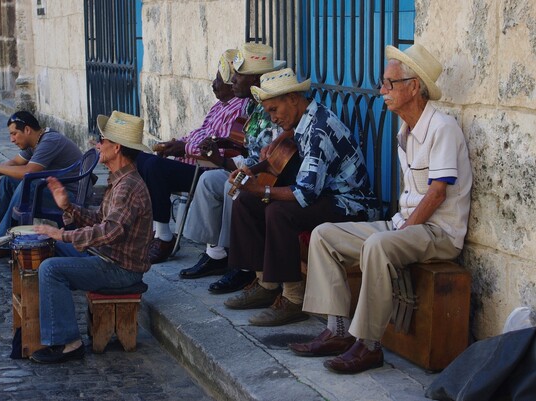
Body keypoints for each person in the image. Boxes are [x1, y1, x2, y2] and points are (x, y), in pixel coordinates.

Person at [288, 44, 472, 374]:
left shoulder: (442, 128)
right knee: (324, 235)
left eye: (389, 83)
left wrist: (405, 229)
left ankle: (370, 346)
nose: (381, 90)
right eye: (382, 82)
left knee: (378, 244)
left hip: (438, 233)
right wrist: (401, 227)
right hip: (408, 225)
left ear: (414, 86)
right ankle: (338, 331)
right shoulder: (406, 131)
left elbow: (437, 194)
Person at [220, 68, 378, 327]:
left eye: (274, 110)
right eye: (269, 112)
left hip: (350, 204)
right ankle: (266, 283)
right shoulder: (304, 119)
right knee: (246, 201)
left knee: (278, 211)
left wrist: (262, 190)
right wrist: (255, 169)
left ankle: (293, 299)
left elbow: (306, 193)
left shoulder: (319, 130)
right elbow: (287, 149)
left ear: (293, 98)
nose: (272, 119)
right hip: (326, 197)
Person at [29, 111, 153, 364]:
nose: (98, 145)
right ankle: (39, 327)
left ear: (116, 148)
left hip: (120, 269)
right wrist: (68, 208)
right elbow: (101, 220)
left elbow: (109, 232)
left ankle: (67, 342)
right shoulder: (120, 180)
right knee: (47, 249)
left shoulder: (128, 185)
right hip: (107, 259)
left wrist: (63, 234)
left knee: (51, 269)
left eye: (102, 140)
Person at [179, 43, 287, 289]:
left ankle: (244, 266)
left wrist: (227, 163)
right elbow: (249, 151)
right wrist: (220, 158)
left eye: (238, 75)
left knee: (235, 187)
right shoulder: (250, 106)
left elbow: (269, 160)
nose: (233, 80)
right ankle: (216, 254)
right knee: (208, 181)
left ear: (257, 79)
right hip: (250, 168)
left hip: (271, 176)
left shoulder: (272, 106)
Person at [136, 49, 250, 264]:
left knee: (155, 167)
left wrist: (185, 148)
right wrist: (175, 143)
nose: (213, 84)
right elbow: (199, 133)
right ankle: (152, 229)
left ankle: (164, 237)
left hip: (209, 168)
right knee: (139, 159)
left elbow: (226, 149)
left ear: (231, 85)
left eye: (219, 80)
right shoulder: (219, 107)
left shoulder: (241, 108)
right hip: (192, 163)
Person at [0, 111, 83, 260]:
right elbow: (14, 163)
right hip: (54, 191)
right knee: (7, 181)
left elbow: (28, 171)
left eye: (14, 134)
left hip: (67, 196)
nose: (12, 139)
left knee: (26, 185)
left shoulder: (50, 141)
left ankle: (3, 244)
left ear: (27, 130)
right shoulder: (35, 142)